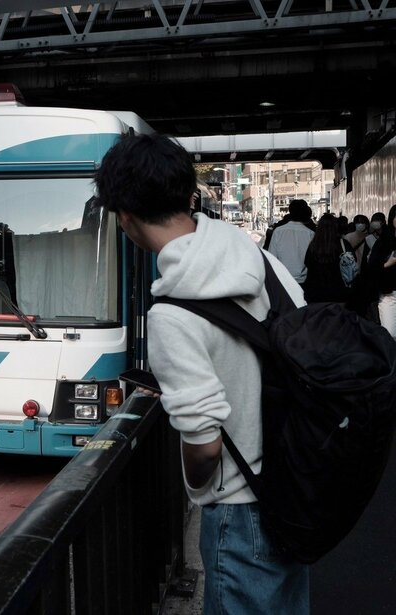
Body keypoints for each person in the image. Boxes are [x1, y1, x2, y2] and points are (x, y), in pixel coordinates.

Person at [94, 133, 309, 614]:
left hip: (240, 509)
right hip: (294, 489)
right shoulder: (256, 257)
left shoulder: (172, 316)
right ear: (188, 195)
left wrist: (199, 490)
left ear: (124, 217)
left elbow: (205, 445)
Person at [302, 213, 355, 304]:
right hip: (338, 290)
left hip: (315, 291)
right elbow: (353, 262)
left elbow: (307, 262)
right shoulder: (342, 244)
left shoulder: (313, 245)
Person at [268, 199, 315, 284]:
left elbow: (272, 257)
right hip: (304, 280)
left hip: (283, 280)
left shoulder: (278, 231)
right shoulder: (310, 233)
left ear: (290, 212)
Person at [367, 204, 396, 339]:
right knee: (389, 333)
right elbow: (372, 266)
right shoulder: (384, 240)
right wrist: (387, 264)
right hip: (389, 294)